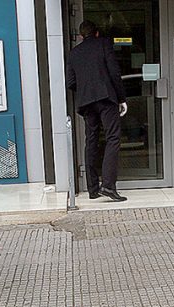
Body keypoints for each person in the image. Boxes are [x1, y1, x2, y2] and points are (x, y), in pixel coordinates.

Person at [66, 20, 128, 202]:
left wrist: (86, 90)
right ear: (97, 33)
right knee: (113, 138)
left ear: (80, 36)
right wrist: (121, 98)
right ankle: (108, 186)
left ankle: (93, 189)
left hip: (86, 102)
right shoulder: (103, 44)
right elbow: (114, 72)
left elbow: (70, 82)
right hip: (106, 98)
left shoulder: (74, 52)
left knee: (91, 140)